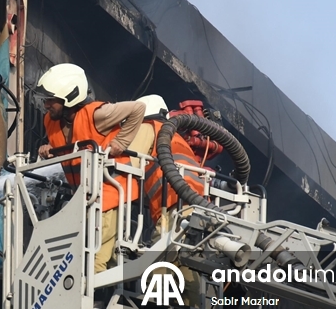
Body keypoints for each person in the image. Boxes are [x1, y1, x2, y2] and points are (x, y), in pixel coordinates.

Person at [35, 63, 145, 273]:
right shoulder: (52, 121)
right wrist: (51, 149)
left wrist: (120, 142)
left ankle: (89, 300)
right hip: (86, 198)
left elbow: (138, 109)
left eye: (51, 99)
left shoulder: (98, 114)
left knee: (94, 262)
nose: (46, 104)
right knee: (89, 258)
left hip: (110, 195)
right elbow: (73, 151)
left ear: (70, 96)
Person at [134, 94, 208, 234]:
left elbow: (126, 161)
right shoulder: (179, 139)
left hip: (173, 204)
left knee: (166, 252)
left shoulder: (148, 128)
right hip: (200, 204)